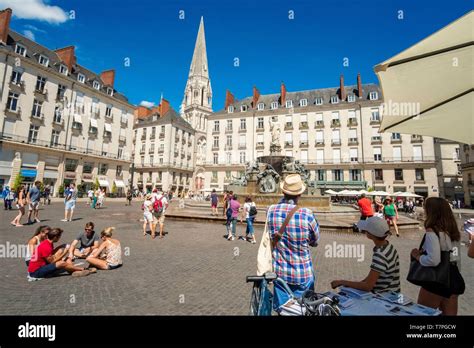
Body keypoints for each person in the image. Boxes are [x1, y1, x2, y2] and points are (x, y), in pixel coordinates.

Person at [266, 174, 319, 314]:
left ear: (283, 191)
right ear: (300, 194)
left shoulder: (271, 211)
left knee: (284, 311)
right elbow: (315, 241)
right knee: (304, 311)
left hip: (280, 274)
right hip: (303, 273)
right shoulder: (307, 214)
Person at [410, 197, 465, 315]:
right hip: (452, 277)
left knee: (423, 313)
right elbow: (454, 256)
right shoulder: (452, 230)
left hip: (435, 281)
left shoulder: (432, 231)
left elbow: (433, 260)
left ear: (431, 211)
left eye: (426, 208)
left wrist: (417, 256)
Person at [331, 217, 401, 293]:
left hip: (383, 297)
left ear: (371, 234)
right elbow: (370, 278)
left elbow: (368, 286)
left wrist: (342, 282)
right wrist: (354, 284)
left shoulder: (380, 255)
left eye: (366, 230)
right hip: (393, 294)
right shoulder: (389, 247)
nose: (365, 231)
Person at [28, 228, 94, 280]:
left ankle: (73, 271)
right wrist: (65, 252)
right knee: (61, 263)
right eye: (59, 237)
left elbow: (51, 254)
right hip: (35, 272)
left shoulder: (47, 242)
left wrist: (61, 247)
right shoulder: (46, 246)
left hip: (42, 266)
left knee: (66, 258)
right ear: (55, 237)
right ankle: (83, 269)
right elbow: (52, 262)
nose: (59, 238)